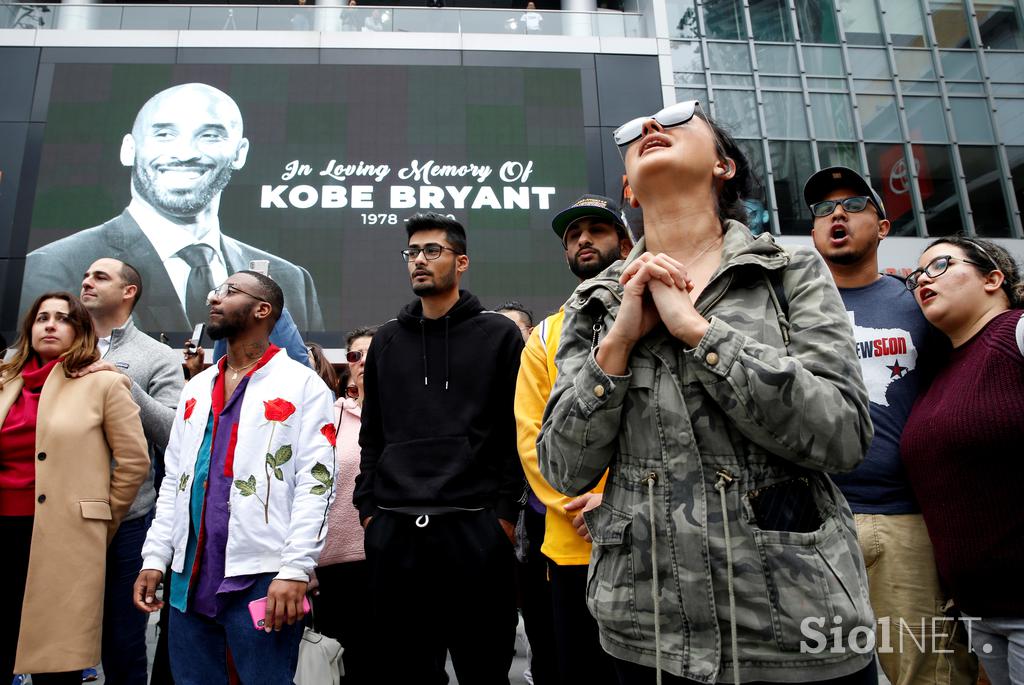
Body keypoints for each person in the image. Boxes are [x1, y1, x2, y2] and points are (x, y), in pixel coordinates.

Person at [536, 100, 876, 684]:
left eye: (674, 119)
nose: (649, 127)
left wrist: (699, 331)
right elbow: (563, 467)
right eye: (634, 131)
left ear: (722, 165)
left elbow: (842, 433)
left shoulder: (789, 272)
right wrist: (617, 345)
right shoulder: (594, 305)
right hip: (646, 636)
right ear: (630, 192)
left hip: (795, 629)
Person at [803, 168, 977, 685]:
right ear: (813, 233)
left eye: (854, 204)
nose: (837, 214)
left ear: (881, 228)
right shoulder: (788, 312)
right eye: (822, 210)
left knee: (927, 672)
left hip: (909, 524)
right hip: (813, 526)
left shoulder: (923, 304)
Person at [133, 270, 336, 684]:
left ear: (263, 310)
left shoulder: (303, 385)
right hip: (189, 573)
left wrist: (295, 569)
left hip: (264, 574)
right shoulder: (196, 387)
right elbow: (174, 479)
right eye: (215, 290)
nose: (213, 296)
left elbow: (317, 483)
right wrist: (156, 556)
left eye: (228, 291)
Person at [353, 213, 526, 684]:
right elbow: (373, 435)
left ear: (461, 261)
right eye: (412, 253)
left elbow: (516, 432)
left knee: (484, 670)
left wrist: (503, 517)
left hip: (476, 530)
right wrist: (369, 510)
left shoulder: (499, 336)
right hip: (396, 531)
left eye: (432, 251)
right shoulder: (386, 341)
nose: (419, 261)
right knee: (406, 673)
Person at [22, 83, 324, 334]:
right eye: (164, 134)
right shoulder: (54, 266)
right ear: (129, 148)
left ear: (240, 153)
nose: (185, 153)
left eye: (210, 135)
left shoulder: (290, 280)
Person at [0, 292, 149, 684]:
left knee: (58, 663)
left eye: (62, 319)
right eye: (41, 318)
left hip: (65, 537)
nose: (50, 324)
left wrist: (100, 520)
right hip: (4, 527)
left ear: (80, 331)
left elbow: (134, 462)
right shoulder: (4, 381)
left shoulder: (104, 382)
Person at [516, 193, 632, 685]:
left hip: (651, 542)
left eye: (597, 229)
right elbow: (531, 440)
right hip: (572, 546)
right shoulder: (543, 336)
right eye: (572, 234)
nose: (583, 239)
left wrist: (617, 501)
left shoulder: (664, 311)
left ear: (626, 242)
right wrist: (583, 503)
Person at [900, 237, 1024, 685]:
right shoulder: (941, 370)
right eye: (916, 277)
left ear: (993, 278)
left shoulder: (1017, 332)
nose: (921, 282)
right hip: (979, 613)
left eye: (940, 265)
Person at [75, 258, 186, 685]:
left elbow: (176, 432)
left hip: (128, 517)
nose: (87, 281)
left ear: (129, 292)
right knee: (61, 633)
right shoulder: (62, 343)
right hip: (60, 513)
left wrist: (125, 384)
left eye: (100, 276)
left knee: (122, 641)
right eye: (86, 275)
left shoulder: (156, 355)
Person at [313, 326, 377, 684]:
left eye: (372, 353)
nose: (363, 361)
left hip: (390, 562)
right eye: (355, 355)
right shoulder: (329, 418)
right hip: (332, 565)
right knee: (334, 667)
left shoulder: (407, 416)